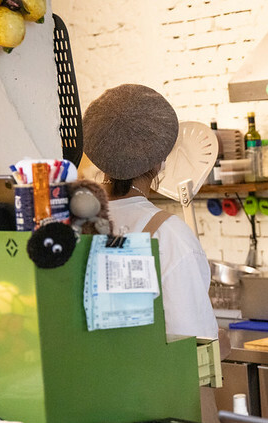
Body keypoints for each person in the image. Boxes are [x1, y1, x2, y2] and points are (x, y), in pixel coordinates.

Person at [82, 84, 219, 340]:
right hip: (146, 365)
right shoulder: (169, 234)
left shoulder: (72, 222)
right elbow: (192, 340)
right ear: (159, 162)